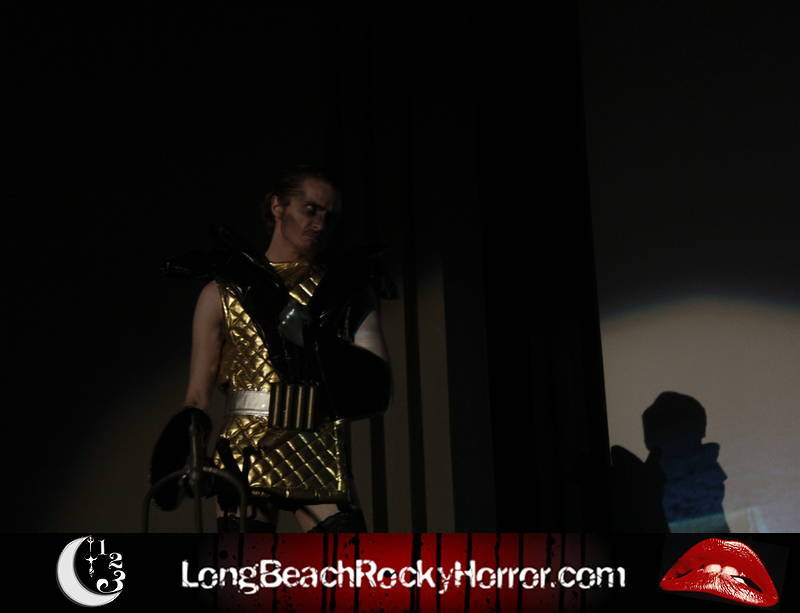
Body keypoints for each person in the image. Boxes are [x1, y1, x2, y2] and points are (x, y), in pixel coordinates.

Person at [154, 165, 391, 532]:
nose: (319, 224)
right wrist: (186, 453)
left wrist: (318, 343)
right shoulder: (222, 292)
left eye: (329, 216)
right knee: (245, 566)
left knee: (349, 563)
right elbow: (197, 396)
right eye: (310, 210)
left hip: (315, 440)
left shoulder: (345, 292)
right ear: (278, 206)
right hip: (246, 447)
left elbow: (375, 384)